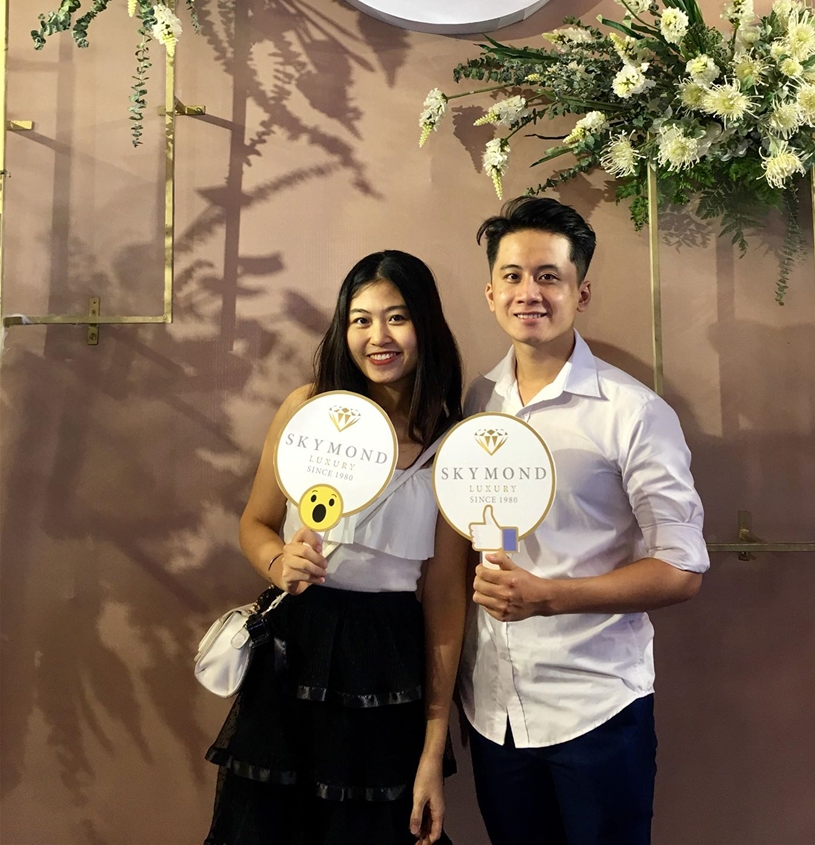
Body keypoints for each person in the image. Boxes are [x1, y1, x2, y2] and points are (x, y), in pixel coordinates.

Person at [459, 196, 709, 845]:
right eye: (513, 276)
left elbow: (681, 569)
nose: (529, 293)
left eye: (549, 276)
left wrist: (549, 597)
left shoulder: (634, 412)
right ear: (491, 293)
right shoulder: (476, 403)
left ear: (581, 292)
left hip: (595, 707)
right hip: (492, 708)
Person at [205, 250, 471, 845]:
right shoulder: (306, 409)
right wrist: (279, 561)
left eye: (397, 317)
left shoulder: (451, 443)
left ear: (426, 324)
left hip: (390, 660)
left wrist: (433, 749)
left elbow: (446, 598)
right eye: (360, 320)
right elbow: (255, 522)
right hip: (294, 651)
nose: (379, 337)